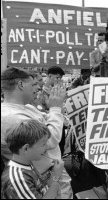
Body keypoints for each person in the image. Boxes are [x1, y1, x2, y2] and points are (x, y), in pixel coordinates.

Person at [1, 67, 73, 198]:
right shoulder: (9, 116)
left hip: (50, 172)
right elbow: (50, 140)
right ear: (21, 85)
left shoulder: (27, 107)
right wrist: (56, 108)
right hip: (40, 177)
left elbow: (48, 121)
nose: (38, 88)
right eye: (33, 84)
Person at [1, 119, 64, 199]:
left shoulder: (27, 164)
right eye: (43, 144)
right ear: (26, 148)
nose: (47, 147)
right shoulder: (18, 179)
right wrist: (56, 177)